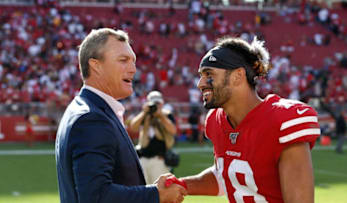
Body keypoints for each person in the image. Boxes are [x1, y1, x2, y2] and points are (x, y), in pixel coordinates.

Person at [166, 36, 321, 203]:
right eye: (201, 75)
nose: (200, 83)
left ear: (238, 76)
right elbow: (227, 176)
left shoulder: (281, 120)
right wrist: (181, 185)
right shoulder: (216, 121)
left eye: (208, 74)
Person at [55, 28, 186, 203]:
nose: (133, 69)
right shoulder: (92, 119)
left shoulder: (86, 109)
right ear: (96, 65)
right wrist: (156, 194)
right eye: (123, 60)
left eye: (133, 61)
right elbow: (96, 197)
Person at [129, 90, 177, 184]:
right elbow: (133, 127)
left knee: (160, 190)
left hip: (160, 159)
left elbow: (173, 130)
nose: (155, 106)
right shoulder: (145, 115)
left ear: (162, 104)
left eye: (157, 103)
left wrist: (161, 116)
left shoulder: (166, 114)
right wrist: (144, 112)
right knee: (143, 189)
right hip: (143, 158)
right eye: (153, 103)